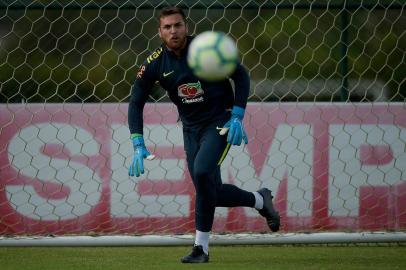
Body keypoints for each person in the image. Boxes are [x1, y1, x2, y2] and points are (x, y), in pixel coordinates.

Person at [128, 6, 280, 263]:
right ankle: (259, 200)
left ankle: (201, 248)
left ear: (186, 27)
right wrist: (137, 142)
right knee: (210, 190)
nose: (173, 31)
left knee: (201, 172)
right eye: (167, 27)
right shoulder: (155, 63)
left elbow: (241, 75)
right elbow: (135, 102)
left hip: (219, 123)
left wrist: (237, 116)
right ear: (159, 32)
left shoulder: (207, 48)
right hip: (190, 129)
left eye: (178, 25)